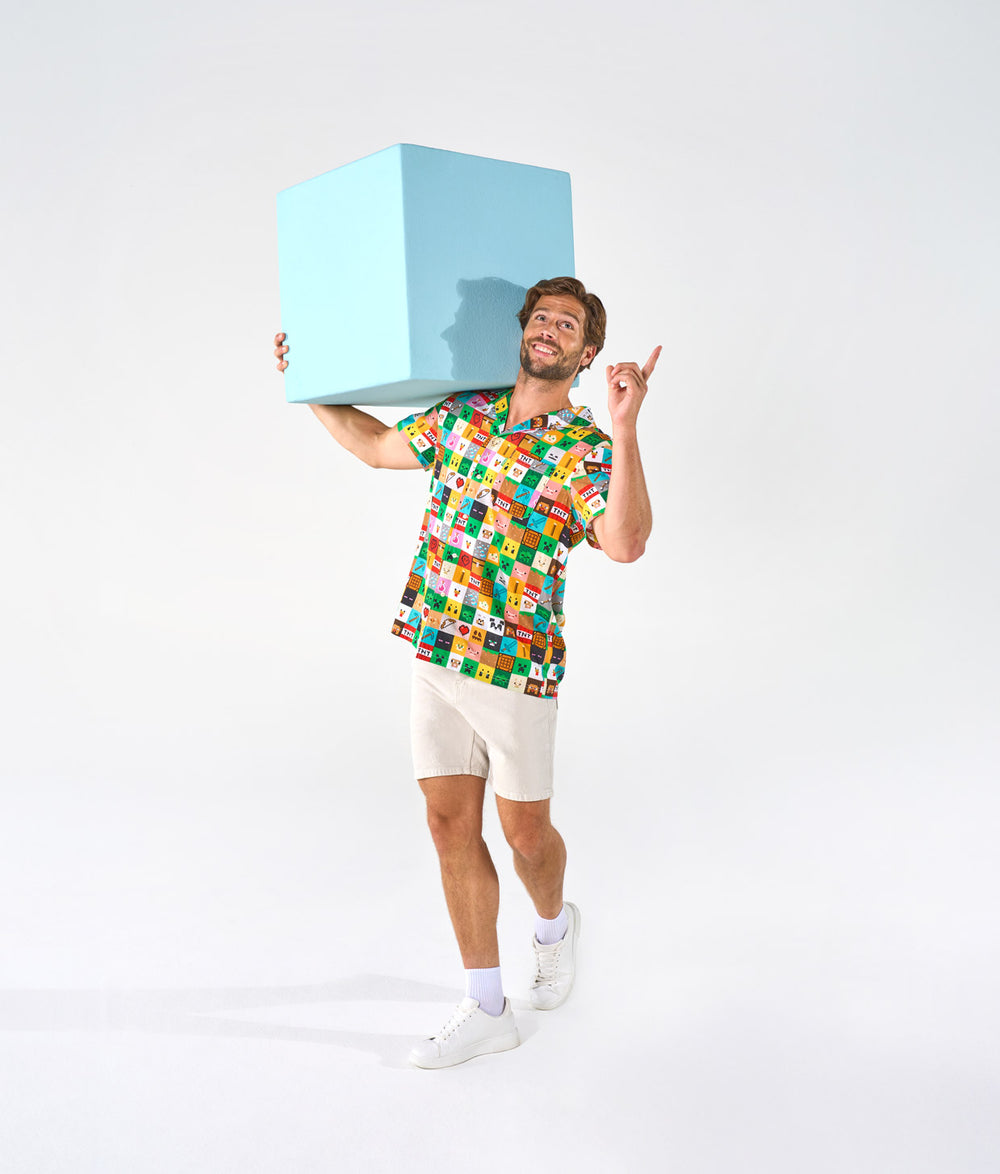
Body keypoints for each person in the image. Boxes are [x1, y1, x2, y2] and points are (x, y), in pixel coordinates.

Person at [274, 276, 658, 1068]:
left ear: (587, 354)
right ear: (524, 334)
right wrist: (304, 383)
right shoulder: (465, 414)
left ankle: (553, 926)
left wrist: (625, 432)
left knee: (525, 835)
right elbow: (378, 447)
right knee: (449, 823)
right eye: (542, 316)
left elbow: (624, 542)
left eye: (569, 324)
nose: (550, 328)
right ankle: (488, 1007)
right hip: (436, 649)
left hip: (517, 671)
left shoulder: (586, 447)